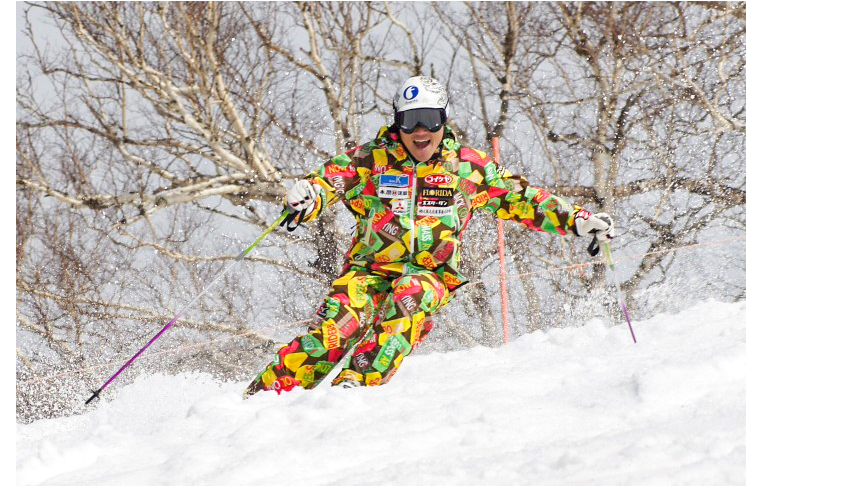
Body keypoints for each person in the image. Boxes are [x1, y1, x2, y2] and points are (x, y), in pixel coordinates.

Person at [243, 75, 613, 397]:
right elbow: (327, 181)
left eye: (429, 120)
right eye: (410, 122)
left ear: (444, 119)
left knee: (410, 296)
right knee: (332, 332)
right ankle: (259, 402)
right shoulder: (371, 160)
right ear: (397, 123)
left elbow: (519, 197)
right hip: (368, 271)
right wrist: (308, 197)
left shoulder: (466, 166)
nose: (421, 132)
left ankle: (355, 385)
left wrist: (577, 219)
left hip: (429, 274)